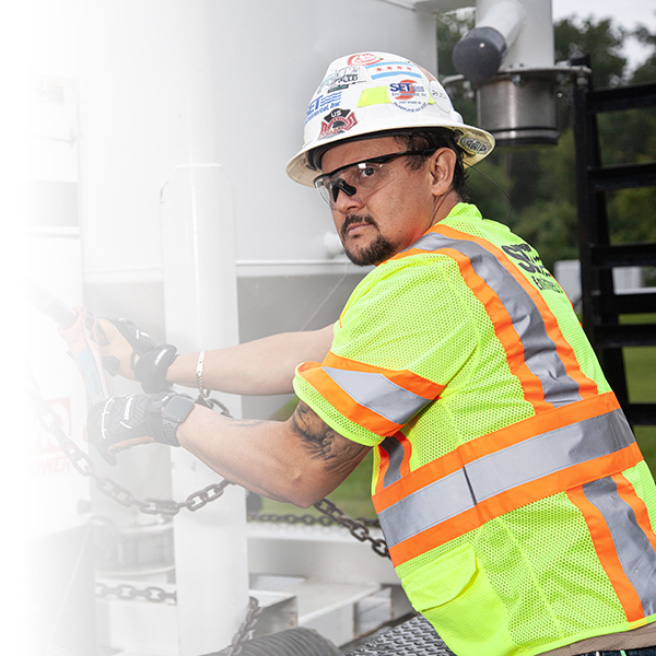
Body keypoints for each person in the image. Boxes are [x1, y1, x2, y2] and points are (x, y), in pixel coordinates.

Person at [87, 52, 656, 656]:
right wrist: (154, 365)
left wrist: (163, 417)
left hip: (566, 626)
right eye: (331, 184)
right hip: (601, 601)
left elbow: (297, 467)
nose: (344, 200)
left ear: (439, 170)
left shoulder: (424, 281)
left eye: (365, 171)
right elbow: (310, 350)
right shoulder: (483, 248)